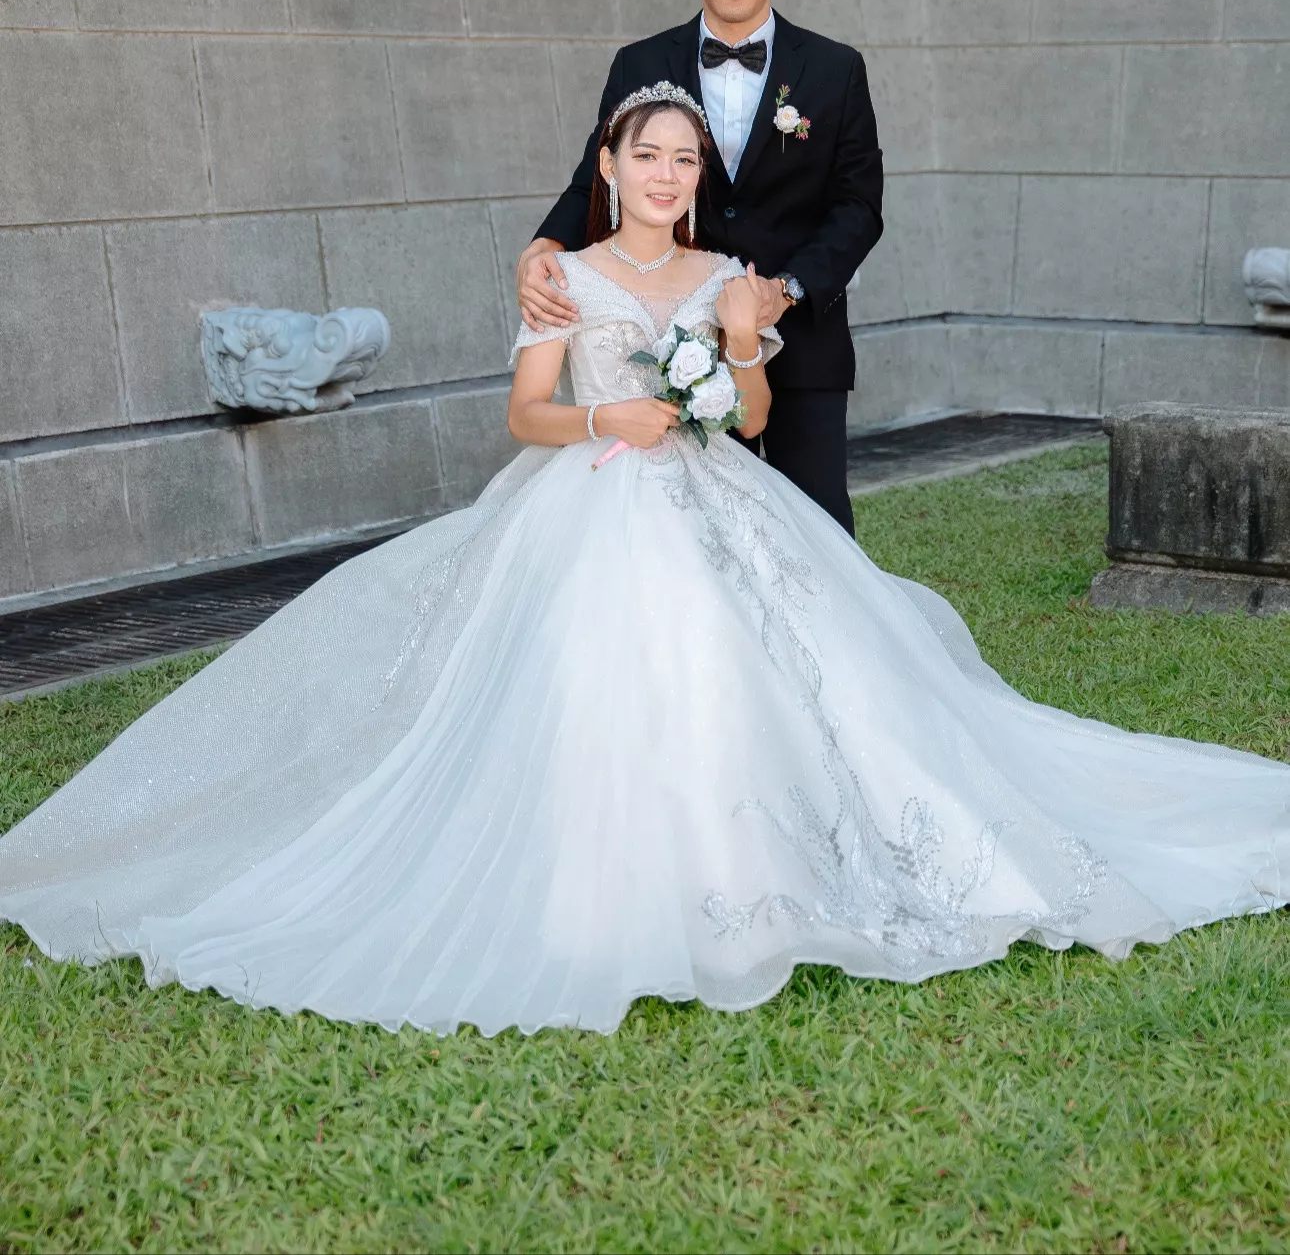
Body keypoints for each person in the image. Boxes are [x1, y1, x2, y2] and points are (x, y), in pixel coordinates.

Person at [1, 84, 1288, 1041]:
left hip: (720, 492)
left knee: (814, 674)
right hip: (594, 491)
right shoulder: (561, 275)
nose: (667, 173)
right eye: (647, 154)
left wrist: (740, 341)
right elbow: (526, 414)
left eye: (685, 158)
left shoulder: (730, 273)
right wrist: (603, 414)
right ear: (609, 165)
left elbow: (756, 419)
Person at [516, 0, 883, 538]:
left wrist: (787, 290)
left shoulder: (837, 68)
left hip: (805, 343)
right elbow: (594, 178)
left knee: (817, 532)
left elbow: (859, 206)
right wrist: (543, 246)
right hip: (679, 339)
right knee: (701, 533)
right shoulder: (639, 63)